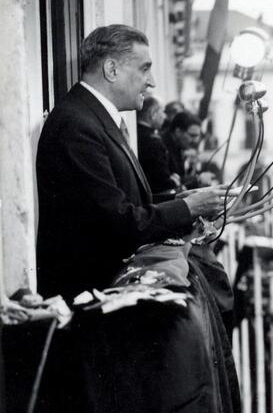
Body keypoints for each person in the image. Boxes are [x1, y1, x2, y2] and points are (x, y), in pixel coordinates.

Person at [35, 24, 237, 412]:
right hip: (90, 317)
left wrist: (180, 200)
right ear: (111, 69)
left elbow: (123, 202)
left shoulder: (94, 118)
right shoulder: (77, 125)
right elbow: (119, 223)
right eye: (144, 68)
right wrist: (188, 209)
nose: (152, 81)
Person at [136, 95, 181, 198]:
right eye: (162, 111)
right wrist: (174, 181)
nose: (165, 116)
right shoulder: (153, 141)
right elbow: (161, 182)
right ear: (153, 113)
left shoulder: (136, 134)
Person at [163, 111, 218, 189]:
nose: (196, 141)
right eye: (192, 136)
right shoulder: (161, 147)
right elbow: (169, 184)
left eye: (197, 136)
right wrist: (198, 180)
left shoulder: (178, 147)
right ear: (178, 132)